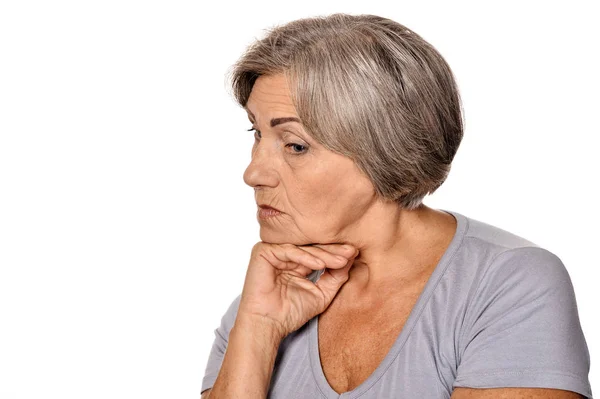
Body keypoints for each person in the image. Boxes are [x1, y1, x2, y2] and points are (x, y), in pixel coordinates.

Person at [200, 13, 592, 399]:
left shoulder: (507, 285)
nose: (253, 173)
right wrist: (259, 329)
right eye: (257, 133)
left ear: (384, 150)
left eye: (295, 145)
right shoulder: (263, 302)